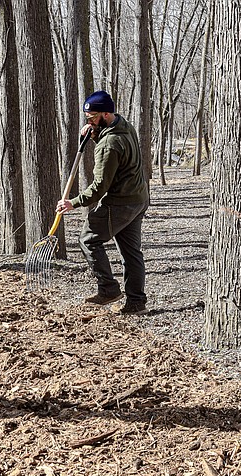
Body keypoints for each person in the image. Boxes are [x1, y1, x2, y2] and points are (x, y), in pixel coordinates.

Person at [56, 90, 150, 315]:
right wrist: (93, 134)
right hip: (138, 199)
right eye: (87, 117)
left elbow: (99, 188)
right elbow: (115, 151)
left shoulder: (109, 145)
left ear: (106, 114)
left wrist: (73, 203)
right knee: (131, 253)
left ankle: (108, 289)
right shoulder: (124, 125)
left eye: (92, 117)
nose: (88, 122)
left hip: (120, 203)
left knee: (88, 240)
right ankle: (136, 303)